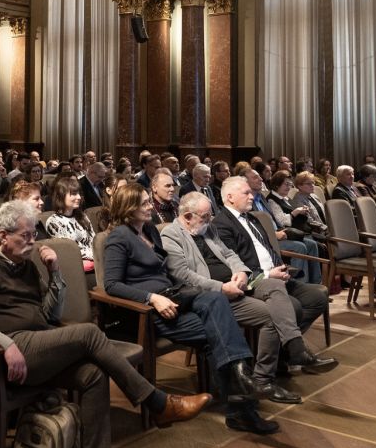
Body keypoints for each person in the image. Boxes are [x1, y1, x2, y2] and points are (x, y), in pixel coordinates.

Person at [0, 201, 212, 448]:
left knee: (93, 374)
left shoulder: (27, 267)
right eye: (26, 236)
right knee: (89, 331)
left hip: (40, 343)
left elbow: (50, 314)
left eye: (34, 235)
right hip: (9, 350)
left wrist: (55, 272)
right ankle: (158, 403)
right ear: (3, 235)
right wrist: (6, 345)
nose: (32, 242)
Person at [102, 183, 277, 434]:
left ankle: (240, 382)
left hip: (175, 297)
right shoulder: (120, 236)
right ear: (128, 208)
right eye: (144, 203)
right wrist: (152, 297)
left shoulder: (149, 229)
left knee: (217, 302)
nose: (151, 205)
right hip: (152, 310)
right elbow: (111, 285)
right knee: (220, 333)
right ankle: (242, 404)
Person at [162, 192, 335, 403]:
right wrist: (222, 287)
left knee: (274, 283)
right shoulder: (171, 235)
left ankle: (294, 348)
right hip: (214, 295)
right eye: (204, 216)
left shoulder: (208, 228)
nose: (209, 220)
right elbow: (183, 275)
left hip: (240, 282)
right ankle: (264, 378)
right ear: (188, 216)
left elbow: (230, 254)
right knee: (271, 315)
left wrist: (242, 272)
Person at [210, 176, 336, 373]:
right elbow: (233, 265)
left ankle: (284, 352)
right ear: (230, 197)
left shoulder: (252, 218)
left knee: (317, 297)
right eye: (246, 193)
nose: (252, 196)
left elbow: (268, 250)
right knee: (293, 306)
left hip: (275, 276)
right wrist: (269, 274)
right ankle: (293, 351)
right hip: (253, 281)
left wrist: (281, 268)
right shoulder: (221, 224)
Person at [43, 177, 96, 275]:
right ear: (61, 196)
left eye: (79, 193)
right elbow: (68, 250)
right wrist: (95, 256)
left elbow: (93, 239)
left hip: (93, 261)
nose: (79, 197)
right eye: (74, 194)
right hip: (73, 266)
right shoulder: (54, 222)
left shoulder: (82, 216)